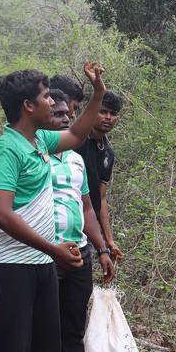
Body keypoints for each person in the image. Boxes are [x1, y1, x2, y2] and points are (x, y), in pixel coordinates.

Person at [0, 63, 106, 352]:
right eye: (46, 95)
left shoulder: (39, 142)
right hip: (9, 263)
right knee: (11, 347)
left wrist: (98, 92)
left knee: (45, 346)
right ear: (28, 106)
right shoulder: (5, 150)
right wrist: (53, 249)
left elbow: (78, 132)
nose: (53, 101)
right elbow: (1, 213)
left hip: (40, 262)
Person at [45, 89, 115, 352]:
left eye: (67, 115)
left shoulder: (75, 159)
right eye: (57, 114)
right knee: (45, 325)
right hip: (44, 254)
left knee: (74, 326)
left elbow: (87, 207)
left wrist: (102, 248)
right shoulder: (35, 155)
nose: (65, 119)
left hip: (79, 254)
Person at [49, 75, 125, 262]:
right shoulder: (71, 141)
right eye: (103, 111)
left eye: (113, 114)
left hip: (85, 230)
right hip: (57, 230)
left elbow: (100, 197)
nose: (108, 117)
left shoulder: (108, 153)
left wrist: (108, 241)